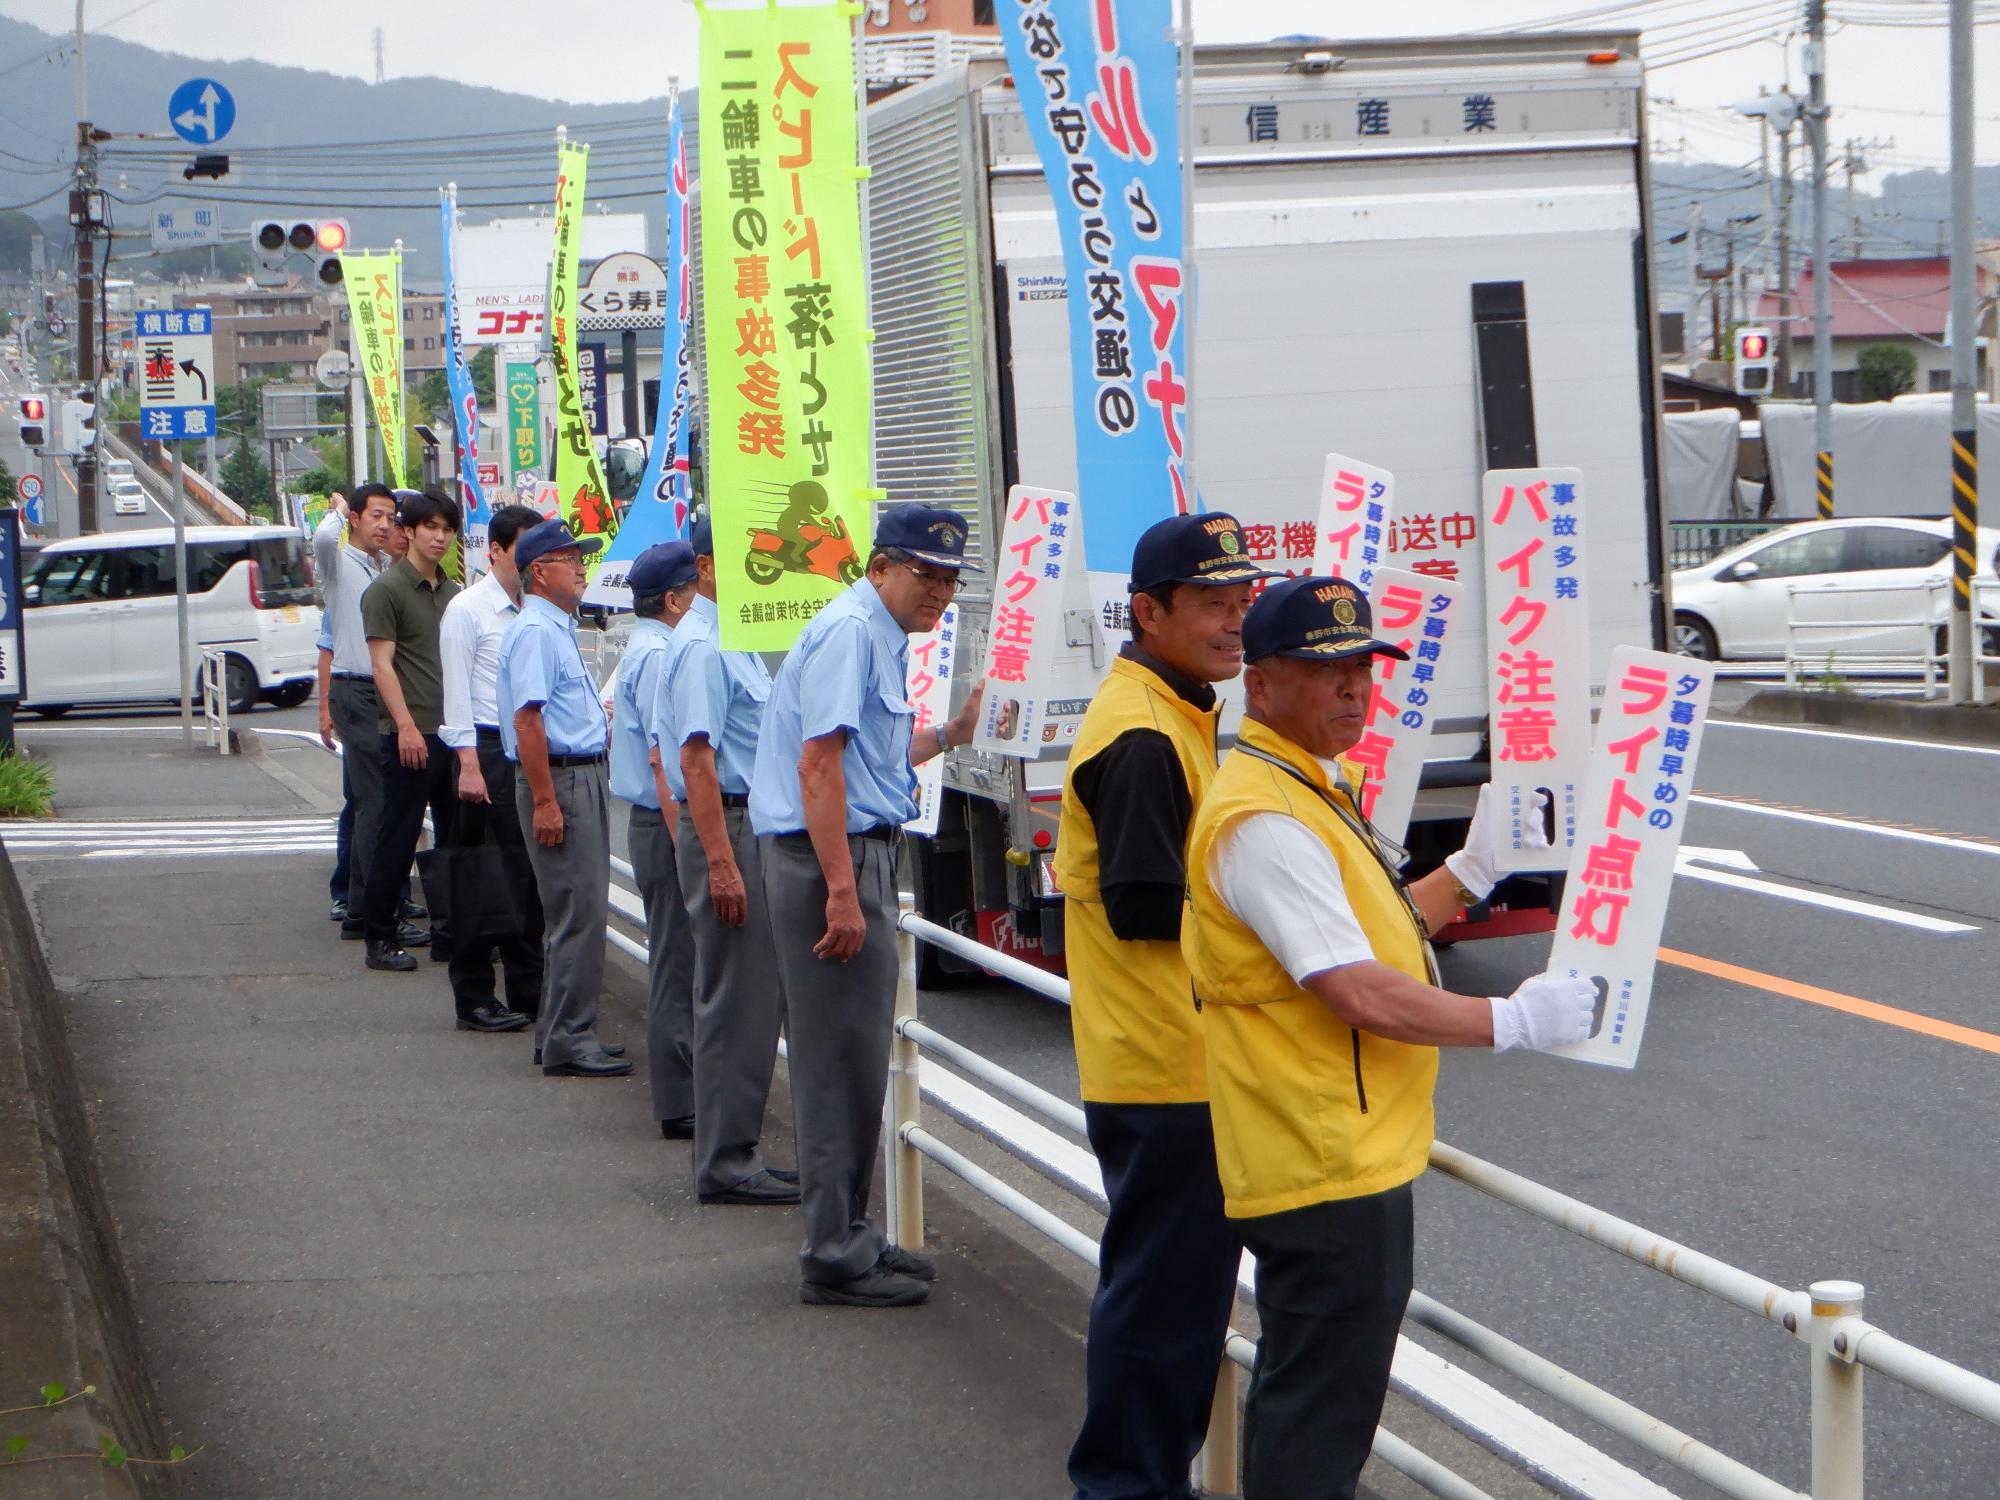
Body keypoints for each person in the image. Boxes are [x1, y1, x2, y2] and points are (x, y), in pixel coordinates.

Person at [1182, 576, 1595, 1500]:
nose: (1354, 690)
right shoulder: (1264, 817)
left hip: (1335, 1147)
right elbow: (1356, 986)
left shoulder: (1301, 787)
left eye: (1363, 669)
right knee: (1318, 1412)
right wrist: (1512, 1021)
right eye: (1326, 671)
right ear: (1263, 684)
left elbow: (1372, 929)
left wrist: (1471, 869)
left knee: (1319, 1393)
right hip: (1321, 1157)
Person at [1054, 511, 1275, 1500]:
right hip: (1166, 1063)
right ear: (1146, 611)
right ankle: (1124, 1489)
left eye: (1242, 602)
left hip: (1164, 1057)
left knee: (1166, 1299)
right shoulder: (1143, 734)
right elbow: (1148, 904)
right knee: (1162, 1307)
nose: (1235, 623)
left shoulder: (1167, 708)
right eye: (1211, 605)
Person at [749, 502, 982, 1307]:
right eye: (927, 573)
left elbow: (869, 758)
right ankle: (835, 1253)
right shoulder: (853, 633)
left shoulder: (869, 633)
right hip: (831, 865)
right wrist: (843, 893)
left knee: (850, 1061)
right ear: (881, 565)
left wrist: (950, 734)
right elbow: (820, 769)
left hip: (846, 856)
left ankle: (849, 1233)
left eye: (951, 578)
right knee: (836, 1064)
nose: (941, 592)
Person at [655, 509, 795, 1206]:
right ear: (705, 567)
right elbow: (696, 758)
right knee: (734, 1000)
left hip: (746, 823)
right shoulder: (705, 645)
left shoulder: (732, 638)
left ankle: (734, 1149)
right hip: (729, 828)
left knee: (748, 996)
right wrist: (719, 861)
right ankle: (727, 1159)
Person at [497, 519, 627, 1078]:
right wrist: (547, 801)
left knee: (575, 912)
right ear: (539, 572)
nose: (581, 567)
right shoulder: (536, 630)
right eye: (571, 558)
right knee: (579, 913)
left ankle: (559, 1031)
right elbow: (528, 721)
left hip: (575, 776)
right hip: (562, 779)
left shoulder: (553, 627)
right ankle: (570, 1038)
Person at [437, 503, 546, 1034]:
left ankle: (530, 992)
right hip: (482, 751)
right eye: (521, 550)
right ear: (496, 550)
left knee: (528, 876)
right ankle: (474, 996)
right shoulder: (468, 609)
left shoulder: (539, 608)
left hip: (527, 752)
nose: (529, 562)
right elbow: (455, 692)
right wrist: (467, 765)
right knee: (480, 876)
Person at [609, 541, 701, 1125]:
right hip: (666, 823)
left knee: (675, 956)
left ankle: (683, 1095)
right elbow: (664, 761)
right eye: (696, 589)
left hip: (653, 822)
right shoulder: (662, 655)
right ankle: (680, 1102)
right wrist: (691, 845)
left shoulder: (643, 646)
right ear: (673, 600)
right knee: (677, 960)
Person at [315, 485, 426, 948]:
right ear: (357, 519)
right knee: (373, 803)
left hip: (380, 692)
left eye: (390, 517)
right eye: (375, 516)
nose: (384, 525)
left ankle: (373, 904)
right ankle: (367, 908)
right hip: (356, 690)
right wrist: (338, 509)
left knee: (381, 803)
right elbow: (323, 539)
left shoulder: (382, 567)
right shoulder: (340, 565)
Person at [359, 488, 463, 974]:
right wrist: (403, 726)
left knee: (454, 838)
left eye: (447, 529)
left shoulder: (453, 592)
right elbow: (382, 665)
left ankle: (449, 933)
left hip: (452, 734)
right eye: (431, 528)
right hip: (408, 732)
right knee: (398, 838)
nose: (440, 537)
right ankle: (378, 936)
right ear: (409, 531)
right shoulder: (386, 590)